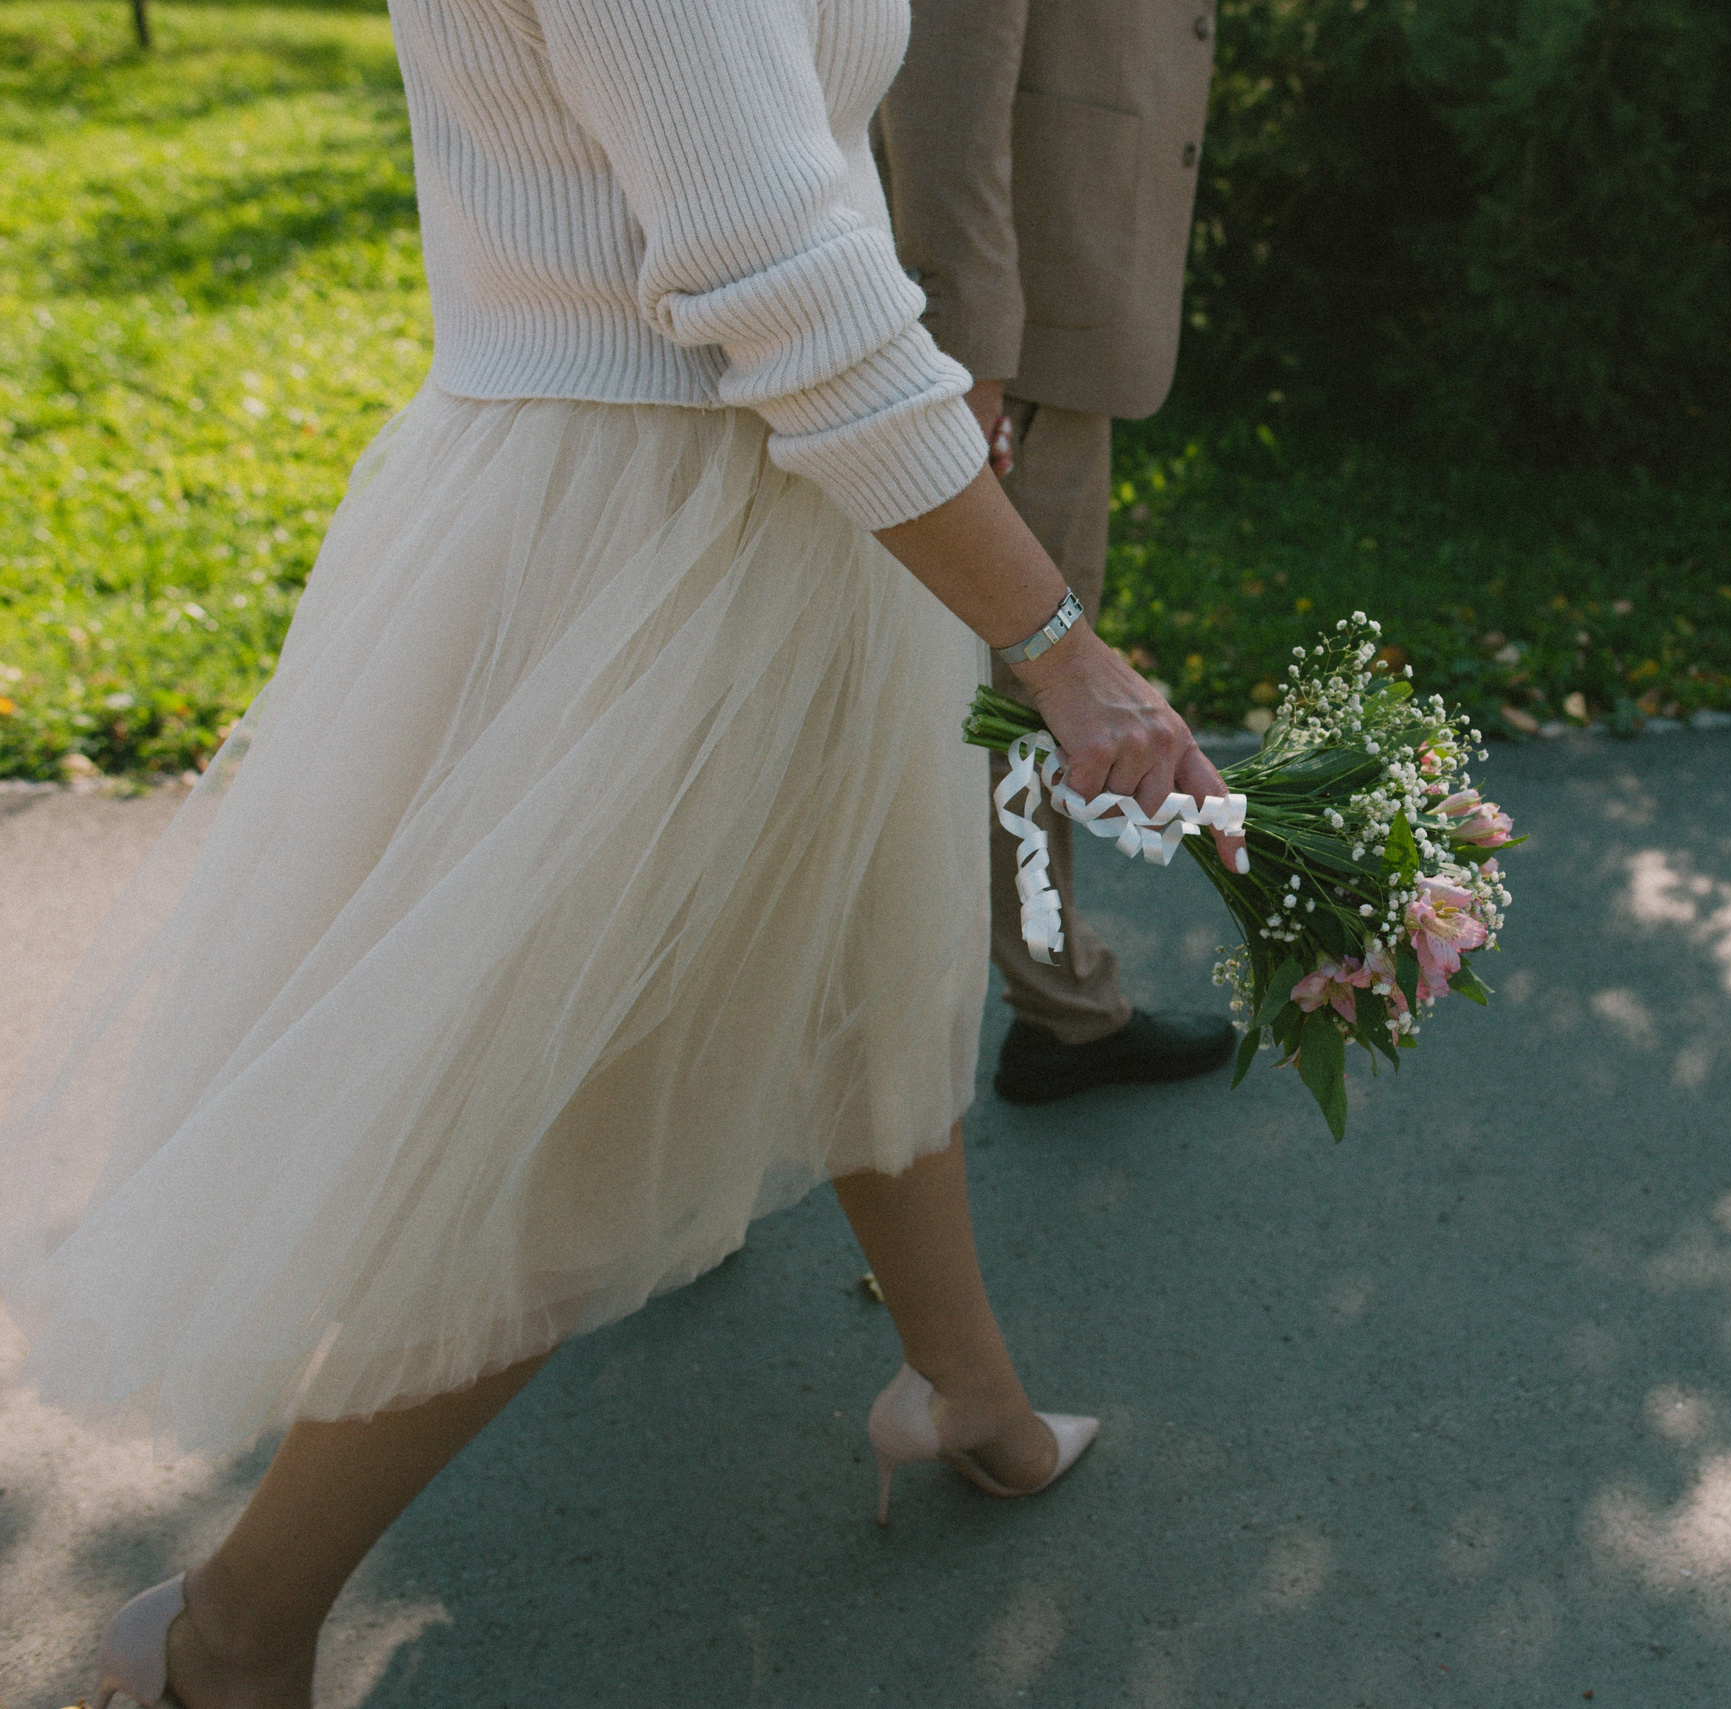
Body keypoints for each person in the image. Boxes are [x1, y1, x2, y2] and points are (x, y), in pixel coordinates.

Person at [0, 0, 1239, 1703]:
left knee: (874, 963)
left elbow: (797, 170)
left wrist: (920, 401)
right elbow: (765, 258)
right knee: (571, 1132)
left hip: (795, 497)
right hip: (646, 542)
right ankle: (229, 1627)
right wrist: (1060, 641)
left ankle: (966, 1392)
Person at [879, 0, 1232, 1105]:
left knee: (1016, 692)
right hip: (1013, 333)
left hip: (1051, 308)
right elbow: (941, 72)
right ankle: (1063, 1012)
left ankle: (1062, 1001)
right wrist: (971, 350)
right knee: (1031, 693)